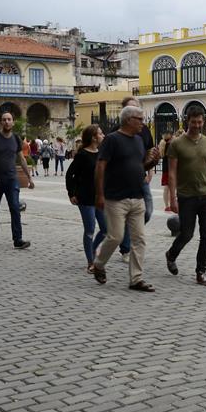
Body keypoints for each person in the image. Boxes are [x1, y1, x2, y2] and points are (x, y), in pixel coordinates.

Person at [91, 106, 161, 291]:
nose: (142, 123)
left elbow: (140, 166)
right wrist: (99, 194)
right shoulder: (112, 140)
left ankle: (136, 279)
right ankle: (98, 264)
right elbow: (100, 166)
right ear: (129, 120)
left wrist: (153, 162)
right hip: (116, 198)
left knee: (139, 239)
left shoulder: (138, 141)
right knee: (115, 236)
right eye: (140, 119)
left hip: (137, 197)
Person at [165, 106, 206, 287]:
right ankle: (171, 255)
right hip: (186, 196)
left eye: (200, 122)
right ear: (187, 121)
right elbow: (172, 173)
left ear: (204, 121)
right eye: (193, 122)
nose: (197, 125)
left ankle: (201, 271)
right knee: (187, 234)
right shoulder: (176, 144)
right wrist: (173, 199)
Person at [112, 97, 156, 263]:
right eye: (131, 109)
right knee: (130, 215)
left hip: (142, 178)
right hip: (124, 182)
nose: (136, 113)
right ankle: (126, 248)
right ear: (124, 113)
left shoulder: (143, 130)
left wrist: (150, 169)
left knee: (148, 211)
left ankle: (128, 230)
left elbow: (150, 150)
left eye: (137, 108)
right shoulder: (115, 133)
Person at [0, 111, 34, 249]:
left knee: (14, 208)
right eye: (4, 119)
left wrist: (30, 178)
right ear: (1, 122)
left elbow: (22, 159)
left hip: (12, 179)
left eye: (9, 119)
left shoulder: (16, 139)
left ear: (13, 122)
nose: (7, 122)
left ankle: (17, 240)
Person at [66, 125, 107, 273]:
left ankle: (93, 249)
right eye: (100, 133)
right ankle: (90, 262)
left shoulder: (102, 153)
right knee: (89, 229)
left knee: (105, 229)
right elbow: (70, 175)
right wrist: (71, 193)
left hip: (100, 197)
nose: (103, 135)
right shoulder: (82, 155)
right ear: (93, 137)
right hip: (85, 198)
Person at [158, 131, 174, 211]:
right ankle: (171, 204)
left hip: (165, 168)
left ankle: (167, 205)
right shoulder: (170, 145)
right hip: (171, 168)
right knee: (172, 188)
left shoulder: (162, 144)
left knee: (166, 187)